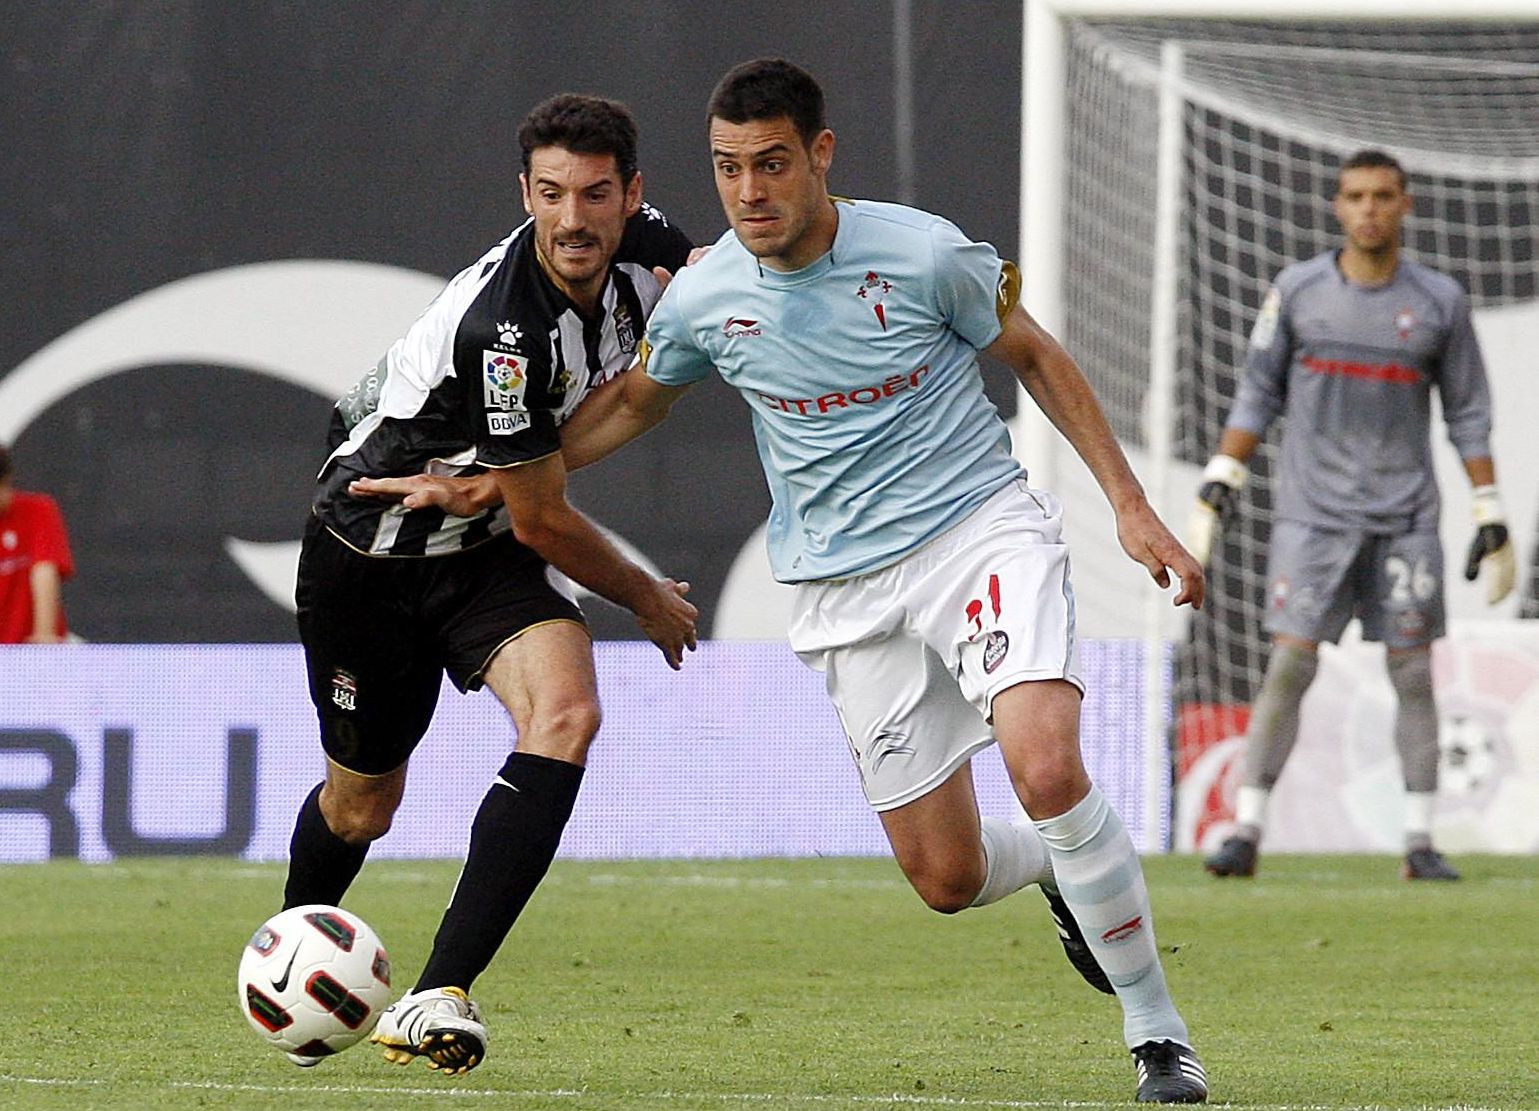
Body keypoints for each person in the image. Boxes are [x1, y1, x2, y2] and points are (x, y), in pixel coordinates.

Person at [537, 58, 1208, 1105]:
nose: (749, 193)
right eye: (726, 169)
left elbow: (1033, 355)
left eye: (770, 165)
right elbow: (630, 407)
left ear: (819, 155)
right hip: (845, 592)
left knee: (1044, 761)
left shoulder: (923, 250)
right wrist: (496, 476)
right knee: (945, 879)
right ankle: (1062, 868)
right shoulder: (708, 296)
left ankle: (1156, 1032)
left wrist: (1128, 504)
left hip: (976, 534)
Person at [280, 93, 698, 1076]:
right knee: (361, 809)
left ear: (631, 194)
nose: (572, 219)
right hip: (368, 555)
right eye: (549, 194)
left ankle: (439, 990)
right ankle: (296, 960)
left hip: (480, 538)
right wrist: (642, 592)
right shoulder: (508, 330)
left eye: (595, 194)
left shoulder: (656, 244)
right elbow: (548, 513)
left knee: (566, 711)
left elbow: (647, 383)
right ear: (526, 193)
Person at [1189, 148, 1514, 883]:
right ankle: (1244, 829)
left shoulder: (1438, 302)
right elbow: (1256, 393)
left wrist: (1488, 507)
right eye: (1354, 195)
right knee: (1289, 664)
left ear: (1405, 204)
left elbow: (1468, 412)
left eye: (1381, 195)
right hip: (1312, 517)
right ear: (1336, 207)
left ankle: (1419, 839)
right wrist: (1220, 476)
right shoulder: (1298, 293)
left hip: (1404, 520)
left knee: (1410, 672)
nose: (1367, 208)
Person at [0, 443, 74, 645]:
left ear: (7, 480)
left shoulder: (39, 510)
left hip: (32, 657)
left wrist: (45, 637)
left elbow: (44, 570)